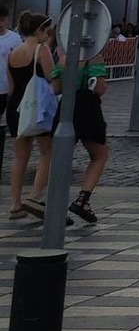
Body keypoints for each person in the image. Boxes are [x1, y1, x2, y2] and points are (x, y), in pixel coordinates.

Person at [6, 13, 57, 220]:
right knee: (47, 152)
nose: (49, 35)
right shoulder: (41, 49)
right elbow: (52, 77)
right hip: (36, 107)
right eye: (47, 30)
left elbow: (11, 85)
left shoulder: (13, 52)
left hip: (16, 106)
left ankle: (15, 204)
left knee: (19, 156)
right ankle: (34, 196)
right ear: (39, 30)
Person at [64, 50, 111, 224]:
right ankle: (83, 200)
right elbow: (99, 88)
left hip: (64, 105)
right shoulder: (94, 56)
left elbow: (55, 86)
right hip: (87, 108)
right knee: (100, 154)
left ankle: (51, 202)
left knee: (57, 155)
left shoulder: (63, 54)